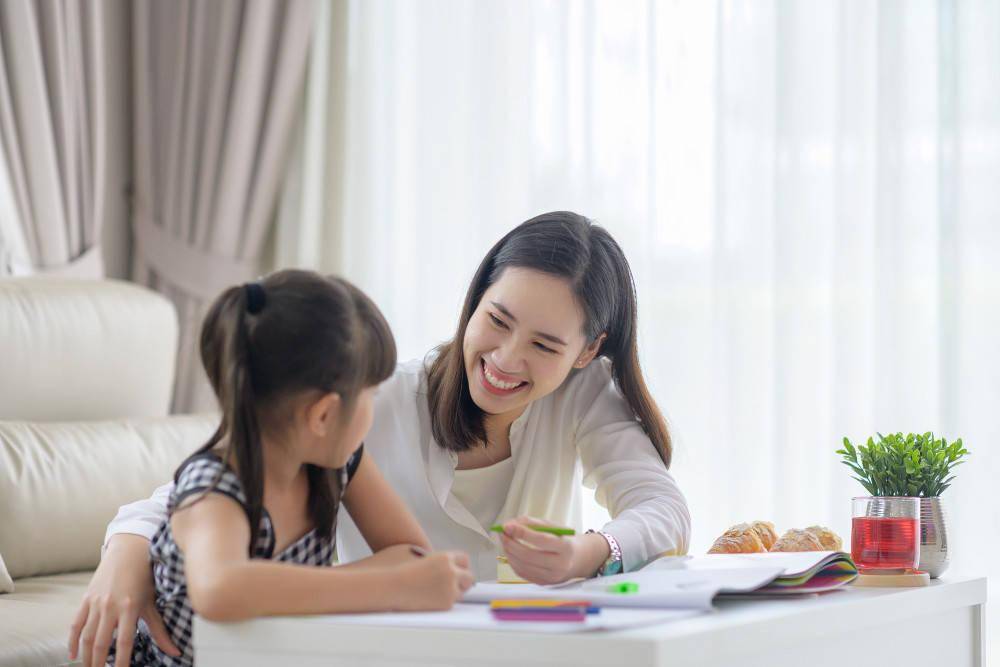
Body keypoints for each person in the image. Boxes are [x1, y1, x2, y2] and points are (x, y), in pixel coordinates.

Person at [73, 211, 690, 664]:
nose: (506, 358)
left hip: (526, 648)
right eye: (497, 320)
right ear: (476, 299)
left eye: (545, 345)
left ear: (586, 352)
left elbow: (663, 510)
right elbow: (194, 496)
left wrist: (587, 552)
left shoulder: (582, 394)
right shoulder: (369, 404)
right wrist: (126, 555)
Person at [69, 270, 473, 666]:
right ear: (323, 415)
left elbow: (412, 554)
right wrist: (390, 585)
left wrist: (398, 579)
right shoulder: (214, 488)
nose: (373, 409)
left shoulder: (339, 463)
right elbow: (220, 589)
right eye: (371, 395)